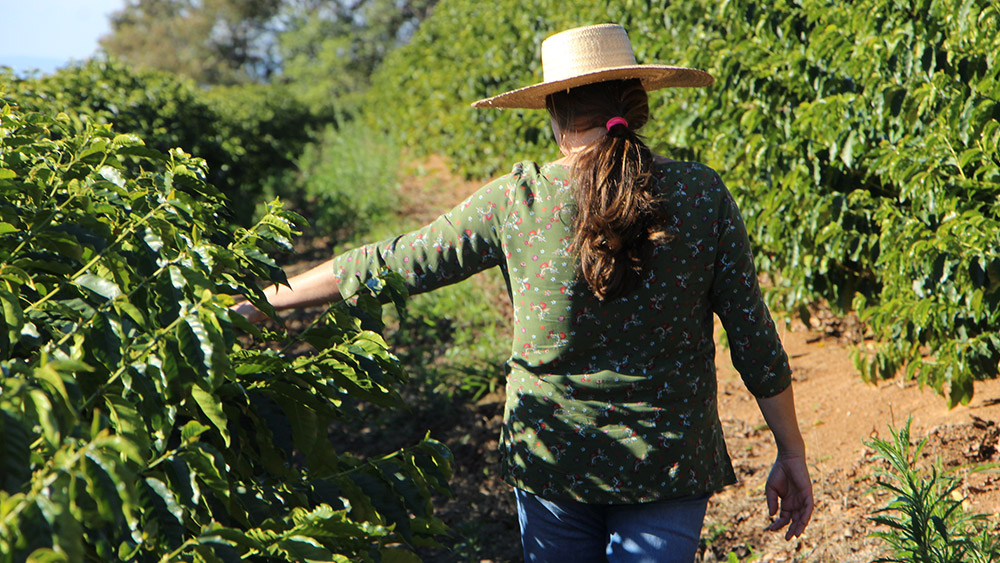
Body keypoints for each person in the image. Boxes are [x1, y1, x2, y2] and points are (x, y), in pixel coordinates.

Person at [232, 23, 813, 563]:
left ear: (555, 114)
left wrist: (270, 299)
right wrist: (791, 454)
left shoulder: (518, 201)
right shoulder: (700, 194)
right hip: (669, 463)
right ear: (636, 104)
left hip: (552, 456)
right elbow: (754, 339)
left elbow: (396, 262)